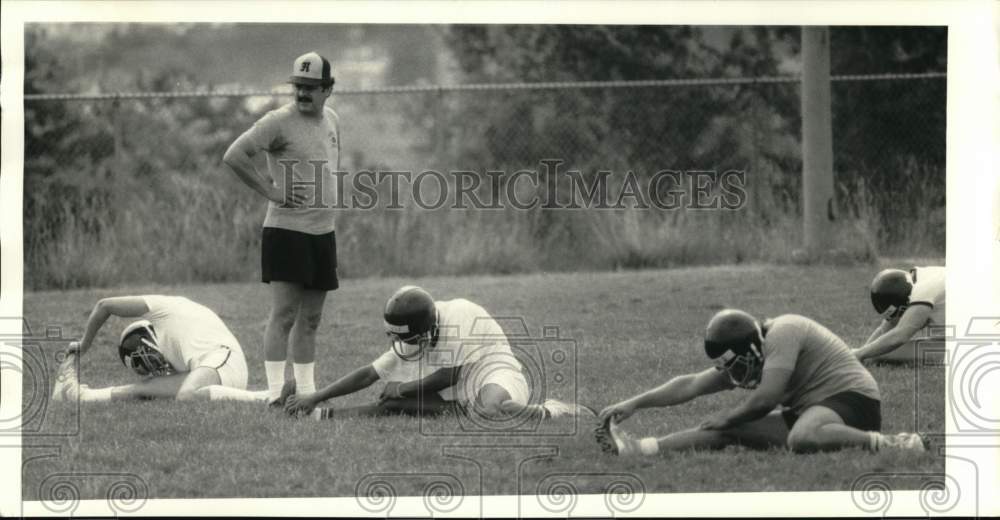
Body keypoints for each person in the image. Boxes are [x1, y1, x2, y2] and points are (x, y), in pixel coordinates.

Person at [594, 309, 928, 456]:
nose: (736, 376)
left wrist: (731, 415)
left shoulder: (784, 331)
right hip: (815, 409)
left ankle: (896, 443)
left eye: (738, 366)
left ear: (753, 349)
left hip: (853, 400)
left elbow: (766, 399)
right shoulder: (752, 349)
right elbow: (692, 383)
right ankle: (640, 448)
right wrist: (634, 402)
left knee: (802, 437)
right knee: (722, 432)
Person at [222, 51, 342, 405]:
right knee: (285, 314)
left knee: (312, 318)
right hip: (287, 232)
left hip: (323, 233)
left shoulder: (333, 119)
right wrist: (271, 191)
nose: (302, 94)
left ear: (327, 89)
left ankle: (306, 394)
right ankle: (276, 395)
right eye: (298, 87)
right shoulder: (277, 121)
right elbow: (234, 155)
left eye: (310, 88)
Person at [283, 286, 594, 421]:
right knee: (392, 402)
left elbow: (451, 374)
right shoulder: (420, 327)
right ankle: (322, 417)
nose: (405, 343)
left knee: (488, 410)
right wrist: (315, 397)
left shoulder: (460, 313)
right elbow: (369, 373)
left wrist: (403, 386)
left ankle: (553, 410)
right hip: (458, 394)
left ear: (426, 327)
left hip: (495, 372)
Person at [50, 295, 267, 403]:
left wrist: (84, 344)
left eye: (146, 358)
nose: (153, 364)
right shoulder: (174, 338)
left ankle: (264, 397)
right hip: (212, 370)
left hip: (225, 360)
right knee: (144, 389)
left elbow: (104, 306)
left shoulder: (162, 309)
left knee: (187, 395)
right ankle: (82, 395)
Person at [854, 266, 946, 363]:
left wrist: (860, 354)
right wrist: (861, 352)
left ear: (903, 306)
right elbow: (884, 329)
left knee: (882, 354)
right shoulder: (918, 279)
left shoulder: (923, 291)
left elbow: (899, 337)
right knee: (875, 352)